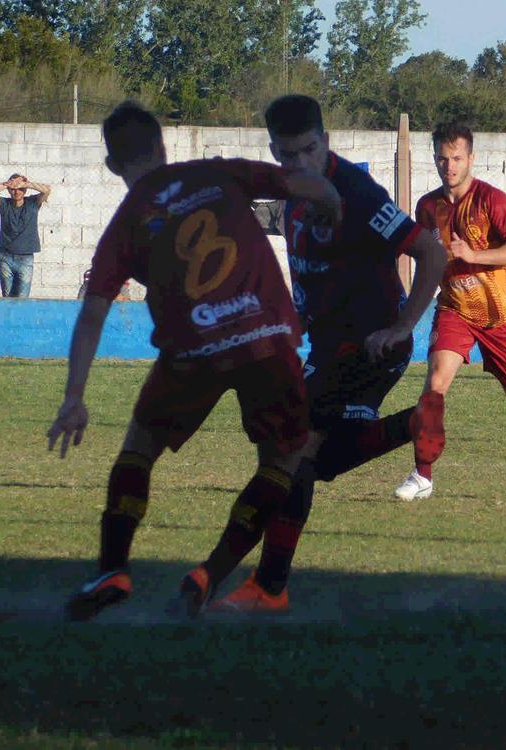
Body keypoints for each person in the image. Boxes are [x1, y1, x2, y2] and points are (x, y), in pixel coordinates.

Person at [45, 101, 344, 622]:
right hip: (265, 338)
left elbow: (92, 314)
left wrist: (74, 397)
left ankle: (112, 568)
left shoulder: (125, 223)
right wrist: (333, 207)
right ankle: (208, 576)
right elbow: (308, 185)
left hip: (192, 350)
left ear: (113, 165)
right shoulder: (216, 172)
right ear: (163, 147)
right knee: (282, 462)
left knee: (139, 449)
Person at [207, 94, 447, 614]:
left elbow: (431, 253)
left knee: (292, 453)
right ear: (275, 151)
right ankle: (411, 424)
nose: (300, 163)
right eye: (288, 154)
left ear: (326, 142)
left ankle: (262, 586)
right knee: (312, 460)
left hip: (370, 344)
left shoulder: (358, 193)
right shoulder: (288, 190)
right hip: (328, 345)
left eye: (309, 150)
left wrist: (403, 325)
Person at [393, 121, 506, 505]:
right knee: (435, 385)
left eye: (456, 158)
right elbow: (425, 256)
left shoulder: (492, 200)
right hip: (455, 309)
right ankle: (423, 474)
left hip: (500, 316)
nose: (449, 166)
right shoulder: (427, 207)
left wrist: (474, 255)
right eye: (442, 158)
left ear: (470, 158)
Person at [0, 173, 51, 297]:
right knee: (7, 296)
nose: (17, 192)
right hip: (6, 257)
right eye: (13, 189)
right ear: (9, 190)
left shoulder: (32, 203)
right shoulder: (4, 204)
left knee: (22, 298)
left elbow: (47, 190)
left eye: (20, 189)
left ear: (25, 190)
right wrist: (7, 184)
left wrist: (26, 184)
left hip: (25, 258)